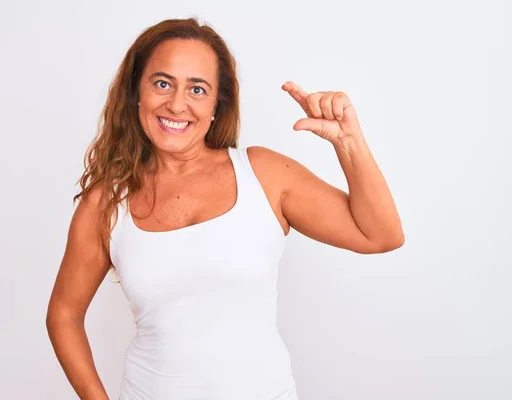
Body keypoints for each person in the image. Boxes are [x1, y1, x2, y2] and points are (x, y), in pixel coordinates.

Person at [46, 17, 404, 400]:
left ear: (218, 104)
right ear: (137, 92)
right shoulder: (106, 204)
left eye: (197, 89)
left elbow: (380, 235)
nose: (177, 103)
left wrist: (348, 142)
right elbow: (63, 315)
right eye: (162, 83)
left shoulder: (264, 175)